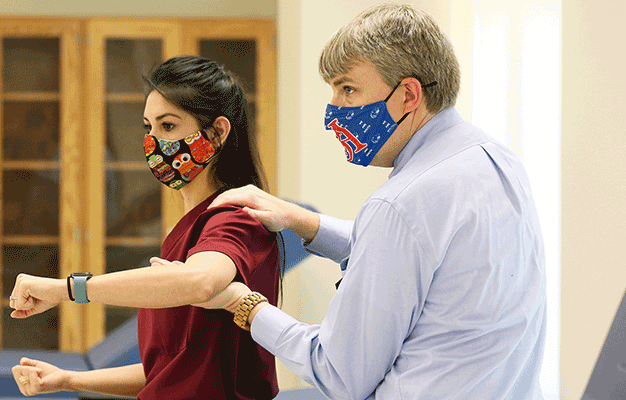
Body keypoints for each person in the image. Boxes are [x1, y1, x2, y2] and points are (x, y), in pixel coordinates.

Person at [191, 3, 547, 400]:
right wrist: (301, 221)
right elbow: (415, 251)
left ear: (408, 94)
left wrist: (247, 306)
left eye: (348, 89)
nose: (333, 114)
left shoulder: (401, 203)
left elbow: (338, 374)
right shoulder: (493, 158)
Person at [7, 55, 281, 399]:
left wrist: (67, 289)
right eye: (147, 127)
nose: (153, 142)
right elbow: (169, 369)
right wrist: (68, 379)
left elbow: (198, 282)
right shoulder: (187, 230)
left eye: (167, 126)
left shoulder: (238, 219)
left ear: (218, 132)